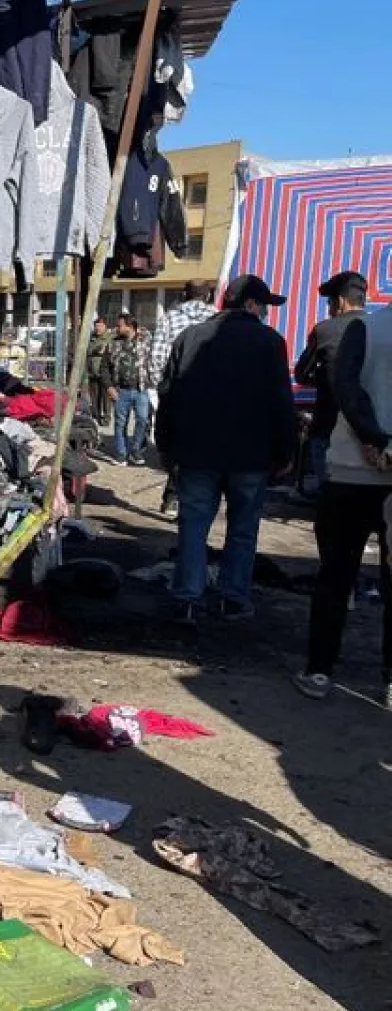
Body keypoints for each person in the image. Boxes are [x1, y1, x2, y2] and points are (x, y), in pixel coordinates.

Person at [156, 275, 297, 626]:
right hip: (250, 455)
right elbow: (281, 402)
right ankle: (233, 598)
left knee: (193, 526)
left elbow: (168, 395)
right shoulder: (270, 343)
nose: (265, 312)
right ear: (250, 304)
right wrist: (286, 452)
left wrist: (166, 446)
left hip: (197, 452)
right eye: (263, 305)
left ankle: (187, 598)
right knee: (243, 528)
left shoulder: (190, 338)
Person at [294, 301, 392, 704]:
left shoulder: (365, 328)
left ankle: (319, 670)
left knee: (336, 576)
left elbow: (345, 387)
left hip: (353, 470)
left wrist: (375, 438)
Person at [293, 271, 368, 497]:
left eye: (330, 302)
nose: (329, 308)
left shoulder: (325, 329)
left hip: (329, 423)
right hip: (370, 426)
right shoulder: (376, 327)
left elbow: (301, 374)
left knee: (330, 492)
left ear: (341, 301)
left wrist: (325, 377)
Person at [151, 280, 219, 515]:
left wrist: (163, 388)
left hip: (177, 394)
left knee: (176, 447)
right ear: (208, 296)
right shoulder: (218, 319)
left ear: (183, 294)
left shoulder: (169, 318)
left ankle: (173, 497)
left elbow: (157, 359)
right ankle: (199, 502)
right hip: (212, 398)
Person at [101, 313, 153, 464]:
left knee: (143, 420)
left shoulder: (145, 340)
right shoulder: (114, 343)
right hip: (120, 390)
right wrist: (109, 386)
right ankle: (121, 454)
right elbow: (104, 367)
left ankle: (136, 450)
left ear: (129, 326)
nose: (117, 328)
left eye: (119, 325)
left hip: (141, 389)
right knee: (120, 423)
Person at [86, 318, 113, 424]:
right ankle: (96, 416)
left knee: (106, 397)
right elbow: (88, 351)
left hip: (105, 373)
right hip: (93, 372)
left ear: (105, 326)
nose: (98, 328)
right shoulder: (92, 337)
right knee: (94, 396)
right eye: (96, 325)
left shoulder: (110, 337)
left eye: (100, 325)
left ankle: (106, 418)